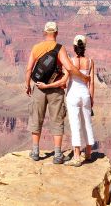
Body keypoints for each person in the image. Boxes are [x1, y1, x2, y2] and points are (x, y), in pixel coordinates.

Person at [25, 22, 90, 164]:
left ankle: (35, 152)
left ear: (44, 32)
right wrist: (84, 77)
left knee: (36, 117)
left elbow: (29, 69)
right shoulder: (60, 49)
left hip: (39, 87)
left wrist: (27, 85)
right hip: (55, 90)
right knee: (57, 120)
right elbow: (69, 68)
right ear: (57, 33)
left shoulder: (36, 48)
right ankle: (58, 154)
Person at [64, 35, 95, 167]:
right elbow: (92, 82)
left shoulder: (70, 61)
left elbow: (65, 80)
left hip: (73, 95)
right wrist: (91, 99)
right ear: (84, 47)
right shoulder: (90, 61)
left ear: (74, 47)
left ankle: (76, 156)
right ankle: (88, 153)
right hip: (85, 94)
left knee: (75, 124)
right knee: (87, 123)